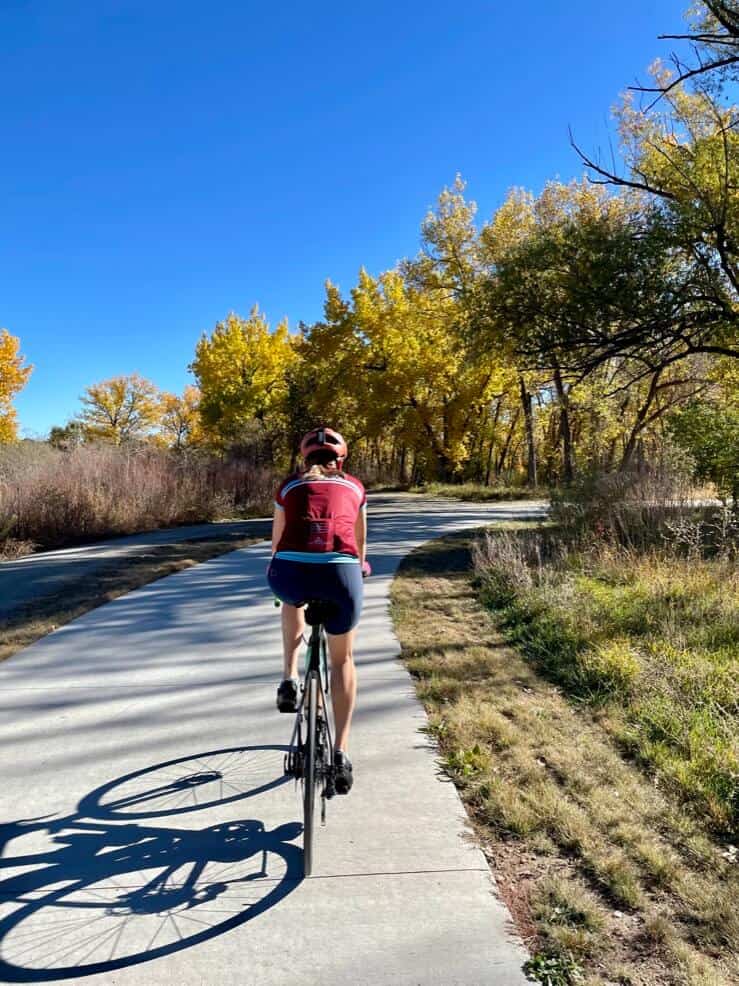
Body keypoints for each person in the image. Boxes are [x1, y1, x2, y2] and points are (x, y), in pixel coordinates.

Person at [267, 426, 368, 795]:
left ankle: (289, 678)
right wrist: (361, 570)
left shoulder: (289, 487)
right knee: (341, 660)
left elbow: (277, 541)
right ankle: (340, 755)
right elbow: (359, 546)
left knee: (291, 599)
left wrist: (279, 566)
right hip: (341, 574)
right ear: (341, 459)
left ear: (304, 458)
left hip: (289, 573)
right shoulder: (354, 487)